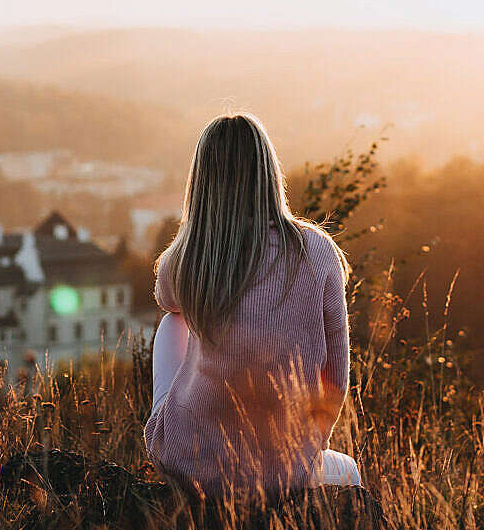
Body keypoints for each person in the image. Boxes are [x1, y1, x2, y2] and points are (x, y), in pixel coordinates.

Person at [144, 112, 361, 498]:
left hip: (192, 461)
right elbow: (337, 377)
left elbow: (166, 298)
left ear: (203, 183)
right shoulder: (317, 251)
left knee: (173, 321)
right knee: (350, 472)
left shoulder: (192, 256)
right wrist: (308, 447)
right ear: (269, 173)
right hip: (286, 465)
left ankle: (170, 429)